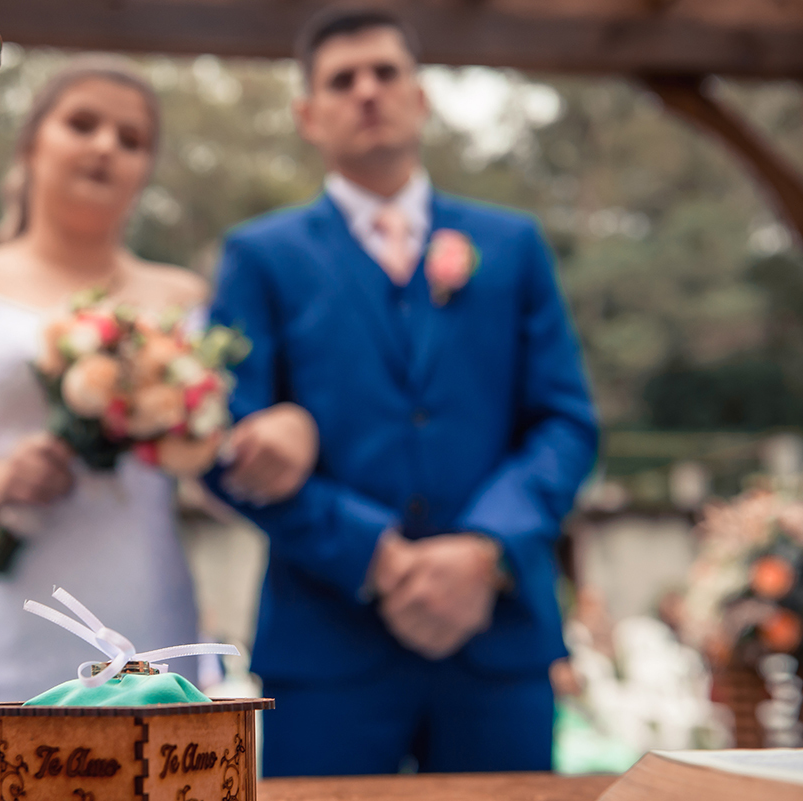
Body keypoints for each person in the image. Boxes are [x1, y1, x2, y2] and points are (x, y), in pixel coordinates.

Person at [0, 57, 317, 792]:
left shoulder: (188, 299)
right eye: (82, 124)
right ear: (31, 144)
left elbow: (217, 457)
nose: (105, 147)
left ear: (147, 170)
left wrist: (283, 435)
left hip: (142, 619)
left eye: (131, 139)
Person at [206, 7, 599, 776]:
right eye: (341, 80)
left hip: (497, 638)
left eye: (386, 73)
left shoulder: (512, 245)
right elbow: (224, 443)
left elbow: (565, 422)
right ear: (307, 114)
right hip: (326, 645)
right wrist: (377, 558)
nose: (367, 91)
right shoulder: (259, 257)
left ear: (420, 98)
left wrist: (485, 550)